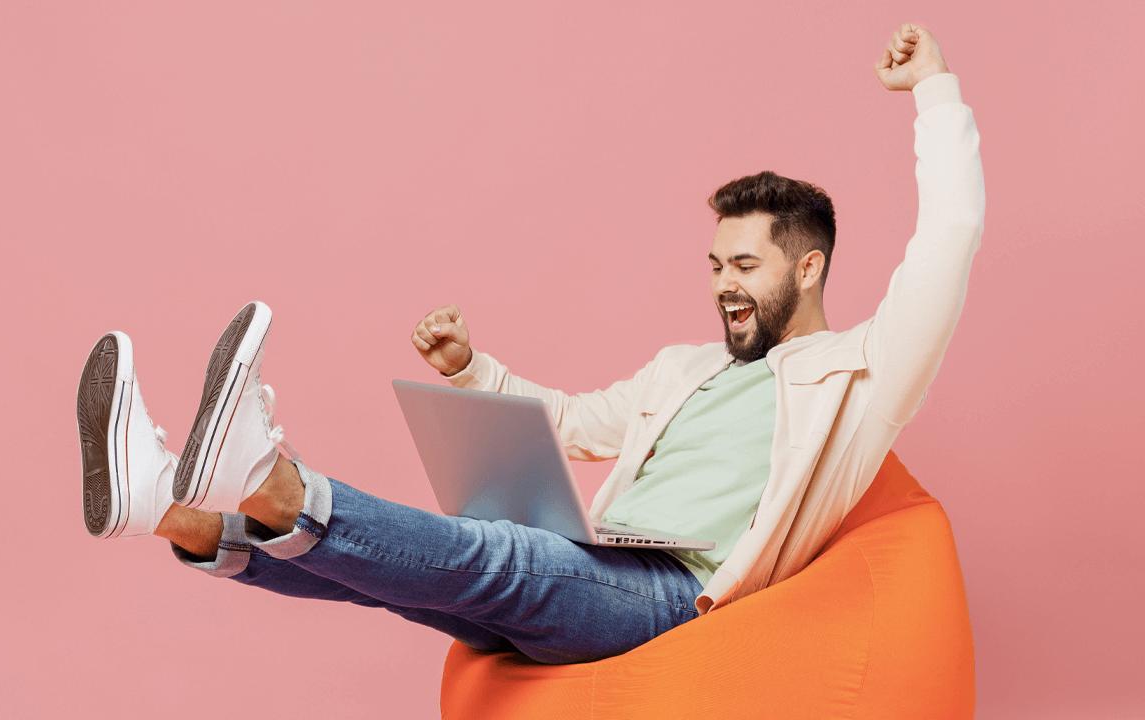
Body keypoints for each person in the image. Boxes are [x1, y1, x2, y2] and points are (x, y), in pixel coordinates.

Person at [74, 23, 984, 665]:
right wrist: (474, 372)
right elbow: (575, 422)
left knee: (501, 556)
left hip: (673, 599)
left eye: (744, 264)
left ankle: (269, 475)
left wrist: (934, 90)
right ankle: (171, 510)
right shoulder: (688, 369)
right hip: (604, 566)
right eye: (713, 264)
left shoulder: (858, 376)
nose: (721, 286)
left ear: (811, 266)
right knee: (403, 582)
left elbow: (950, 235)